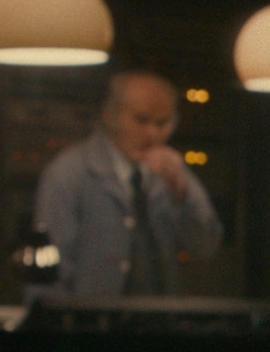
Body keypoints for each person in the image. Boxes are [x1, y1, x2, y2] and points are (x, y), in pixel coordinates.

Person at [33, 70, 223, 298]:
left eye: (162, 123)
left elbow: (205, 247)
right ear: (110, 116)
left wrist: (182, 193)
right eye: (141, 120)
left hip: (160, 315)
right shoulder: (70, 172)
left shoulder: (171, 171)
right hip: (91, 315)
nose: (152, 132)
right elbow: (48, 268)